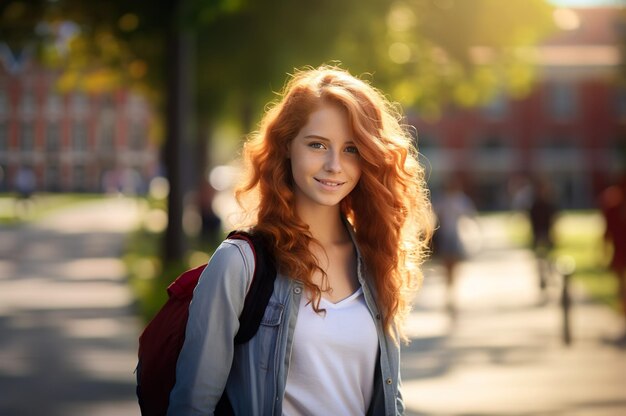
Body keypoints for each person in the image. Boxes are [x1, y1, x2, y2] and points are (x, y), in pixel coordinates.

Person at [167, 65, 434, 415]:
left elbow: (389, 398)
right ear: (287, 146)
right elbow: (192, 405)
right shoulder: (240, 263)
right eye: (317, 144)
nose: (334, 165)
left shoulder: (374, 261)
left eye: (351, 149)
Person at [431, 176, 476, 316]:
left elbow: (470, 215)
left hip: (455, 237)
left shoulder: (460, 200)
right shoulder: (441, 200)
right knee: (446, 266)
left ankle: (452, 292)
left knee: (454, 265)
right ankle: (449, 292)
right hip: (444, 237)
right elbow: (433, 216)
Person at [599, 173, 626, 344]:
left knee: (622, 288)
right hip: (620, 253)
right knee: (621, 289)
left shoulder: (612, 204)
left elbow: (606, 233)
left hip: (619, 253)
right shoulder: (613, 205)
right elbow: (608, 232)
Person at [527, 178, 559, 291]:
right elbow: (531, 222)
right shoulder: (535, 205)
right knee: (540, 259)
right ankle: (542, 278)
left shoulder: (549, 204)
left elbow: (554, 219)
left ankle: (549, 276)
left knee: (549, 258)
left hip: (547, 234)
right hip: (538, 235)